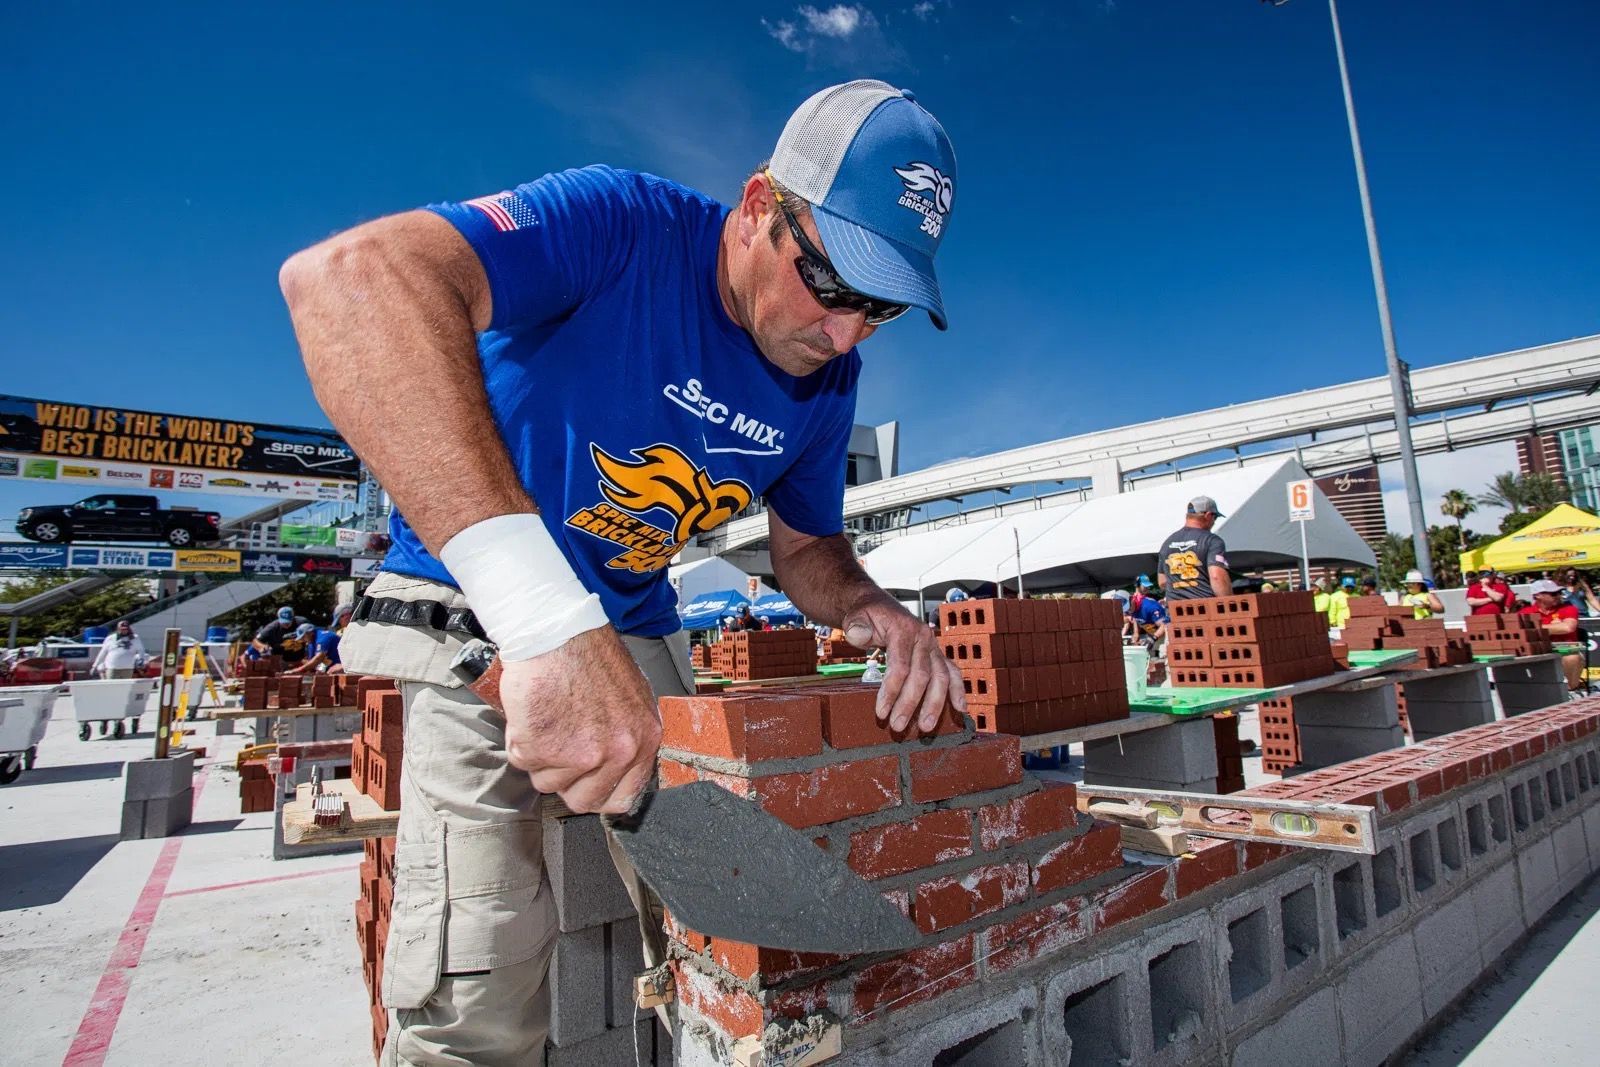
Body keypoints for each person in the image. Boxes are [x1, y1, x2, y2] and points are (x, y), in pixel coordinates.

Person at [280, 80, 964, 1065]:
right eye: (832, 283)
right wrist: (542, 617)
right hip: (474, 597)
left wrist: (873, 609)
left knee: (712, 904)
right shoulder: (619, 225)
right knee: (483, 944)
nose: (848, 333)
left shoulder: (829, 377)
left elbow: (807, 549)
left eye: (882, 308)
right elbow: (348, 280)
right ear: (759, 206)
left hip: (635, 614)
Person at [1156, 496, 1230, 601]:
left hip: (1177, 611)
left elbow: (1162, 581)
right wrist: (1230, 605)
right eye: (1215, 517)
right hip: (1205, 609)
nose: (1214, 522)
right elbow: (1217, 577)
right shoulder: (1212, 540)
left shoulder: (1167, 543)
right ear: (1208, 515)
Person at [1520, 578, 1585, 690]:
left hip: (1566, 649)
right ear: (1538, 595)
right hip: (1538, 650)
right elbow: (1520, 631)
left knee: (1572, 657)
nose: (1558, 596)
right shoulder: (1525, 612)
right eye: (1554, 594)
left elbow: (1568, 628)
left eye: (1559, 593)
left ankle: (1571, 689)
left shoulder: (1569, 608)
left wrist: (1535, 628)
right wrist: (1554, 626)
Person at [290, 603, 354, 675]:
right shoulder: (311, 643)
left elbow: (318, 658)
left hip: (344, 667)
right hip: (335, 668)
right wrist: (320, 670)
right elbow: (323, 661)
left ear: (310, 633)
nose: (302, 640)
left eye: (303, 637)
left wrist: (298, 670)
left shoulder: (323, 638)